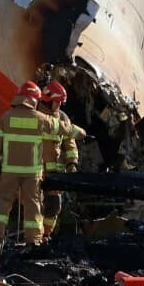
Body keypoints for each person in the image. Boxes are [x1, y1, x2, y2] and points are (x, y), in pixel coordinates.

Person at [0, 81, 54, 245]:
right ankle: (34, 240)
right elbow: (60, 127)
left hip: (9, 171)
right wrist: (79, 132)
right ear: (33, 100)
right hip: (32, 174)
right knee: (33, 205)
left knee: (2, 202)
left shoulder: (6, 117)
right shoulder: (41, 118)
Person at [36, 79, 85, 240]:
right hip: (35, 171)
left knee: (54, 206)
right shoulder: (35, 115)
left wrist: (72, 163)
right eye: (57, 103)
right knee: (35, 207)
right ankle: (33, 237)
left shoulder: (62, 117)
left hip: (54, 173)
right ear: (47, 100)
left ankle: (46, 235)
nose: (59, 106)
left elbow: (69, 142)